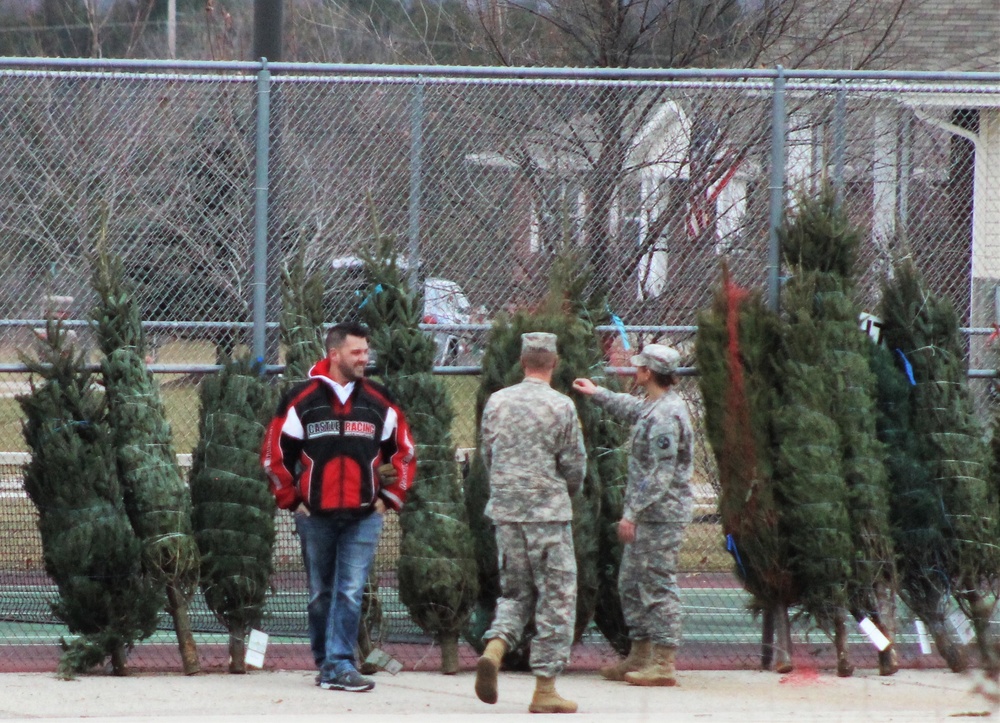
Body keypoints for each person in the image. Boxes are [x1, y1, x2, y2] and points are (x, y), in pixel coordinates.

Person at [261, 321, 416, 692]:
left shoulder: (379, 401)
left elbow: (405, 452)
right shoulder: (303, 399)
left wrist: (389, 499)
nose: (365, 358)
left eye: (366, 351)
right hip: (315, 517)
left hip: (365, 516)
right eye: (357, 352)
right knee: (319, 595)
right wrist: (292, 500)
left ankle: (340, 664)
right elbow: (274, 454)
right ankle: (326, 663)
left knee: (349, 590)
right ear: (334, 355)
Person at [475, 332, 587, 714]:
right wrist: (562, 493)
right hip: (548, 514)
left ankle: (496, 645)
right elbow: (574, 465)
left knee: (515, 593)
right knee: (556, 597)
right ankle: (545, 687)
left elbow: (487, 454)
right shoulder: (562, 406)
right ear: (553, 363)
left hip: (506, 511)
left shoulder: (497, 402)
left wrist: (506, 491)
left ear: (522, 362)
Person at [572, 343, 693, 687]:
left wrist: (633, 513)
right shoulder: (653, 407)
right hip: (648, 515)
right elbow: (633, 409)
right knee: (630, 583)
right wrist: (598, 394)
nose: (634, 370)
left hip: (660, 516)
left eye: (640, 367)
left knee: (657, 584)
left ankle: (664, 663)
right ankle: (640, 654)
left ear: (648, 373)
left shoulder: (666, 416)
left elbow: (661, 473)